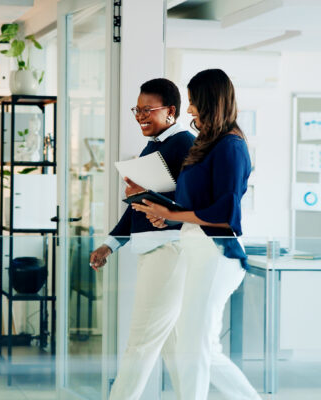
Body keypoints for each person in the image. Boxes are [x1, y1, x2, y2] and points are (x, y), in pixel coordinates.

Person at [132, 69, 261, 400]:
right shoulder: (209, 143)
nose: (189, 110)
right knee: (202, 345)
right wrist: (168, 217)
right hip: (198, 250)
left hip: (218, 255)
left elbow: (224, 214)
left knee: (193, 343)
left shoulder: (232, 147)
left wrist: (171, 214)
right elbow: (194, 203)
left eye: (193, 102)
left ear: (211, 102)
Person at [89, 78, 195, 400]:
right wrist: (112, 242)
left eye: (147, 110)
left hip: (170, 251)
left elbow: (191, 204)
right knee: (173, 345)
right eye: (137, 110)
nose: (140, 116)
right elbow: (141, 205)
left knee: (141, 341)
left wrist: (146, 195)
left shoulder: (184, 144)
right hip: (155, 251)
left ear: (171, 111)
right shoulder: (155, 144)